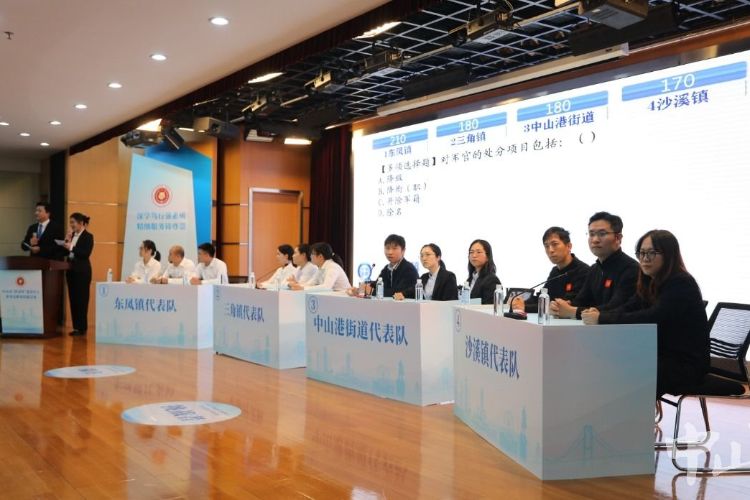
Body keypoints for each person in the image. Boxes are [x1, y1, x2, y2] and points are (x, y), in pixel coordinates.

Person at [581, 230, 710, 397]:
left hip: (685, 364)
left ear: (669, 255)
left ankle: (623, 413)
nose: (645, 259)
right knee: (605, 362)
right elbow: (629, 307)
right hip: (659, 355)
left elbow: (651, 317)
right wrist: (600, 313)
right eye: (641, 253)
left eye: (651, 253)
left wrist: (602, 318)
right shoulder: (650, 281)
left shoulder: (681, 283)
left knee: (618, 370)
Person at [551, 212, 638, 319]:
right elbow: (581, 301)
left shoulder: (631, 269)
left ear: (618, 238)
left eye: (602, 234)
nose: (595, 240)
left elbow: (616, 307)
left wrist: (573, 311)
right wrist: (560, 307)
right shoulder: (594, 269)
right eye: (591, 234)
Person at [520, 227, 590, 312]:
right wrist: (521, 302)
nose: (551, 250)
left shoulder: (584, 271)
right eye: (546, 246)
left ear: (569, 246)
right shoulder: (555, 271)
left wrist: (525, 307)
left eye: (555, 244)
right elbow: (542, 297)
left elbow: (565, 305)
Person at [62, 213, 94, 336]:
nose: (71, 225)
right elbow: (65, 252)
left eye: (73, 222)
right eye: (70, 222)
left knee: (82, 300)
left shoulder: (88, 237)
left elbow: (85, 253)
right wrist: (66, 241)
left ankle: (82, 328)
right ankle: (76, 327)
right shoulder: (72, 236)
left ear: (81, 223)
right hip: (71, 271)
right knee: (73, 299)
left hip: (82, 272)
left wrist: (71, 247)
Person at [466, 239, 501, 305]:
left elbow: (489, 307)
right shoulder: (470, 279)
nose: (474, 255)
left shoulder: (492, 280)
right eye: (471, 252)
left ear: (487, 257)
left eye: (478, 252)